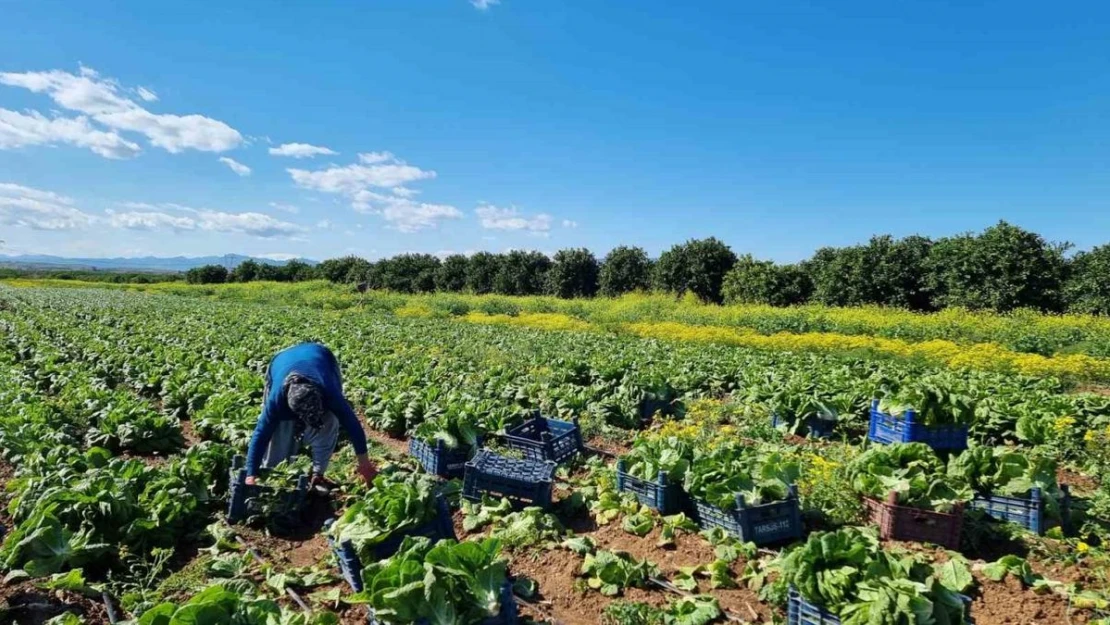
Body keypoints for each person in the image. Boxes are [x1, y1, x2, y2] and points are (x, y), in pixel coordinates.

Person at [244, 342, 377, 489]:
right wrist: (251, 474)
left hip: (322, 357)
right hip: (281, 361)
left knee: (329, 423)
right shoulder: (276, 402)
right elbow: (261, 435)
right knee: (278, 435)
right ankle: (273, 475)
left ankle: (318, 475)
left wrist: (364, 463)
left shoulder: (329, 392)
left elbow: (353, 426)